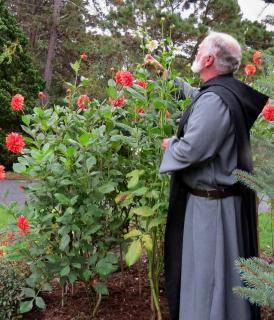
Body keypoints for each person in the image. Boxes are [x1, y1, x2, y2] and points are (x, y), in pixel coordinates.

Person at [144, 31, 269, 320]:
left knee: (208, 279)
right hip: (214, 205)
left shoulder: (217, 101)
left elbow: (191, 150)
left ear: (209, 58)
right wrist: (165, 76)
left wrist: (170, 144)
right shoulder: (223, 91)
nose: (196, 52)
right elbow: (196, 98)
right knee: (216, 278)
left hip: (211, 210)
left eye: (200, 48)